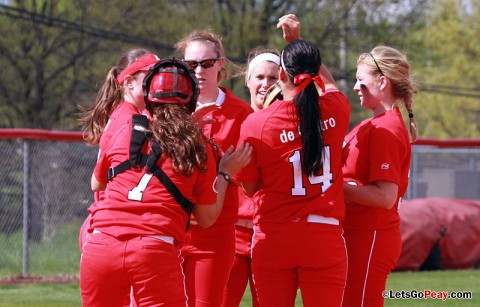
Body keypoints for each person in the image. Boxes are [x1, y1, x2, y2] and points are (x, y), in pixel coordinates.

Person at [79, 57, 252, 306]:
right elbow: (206, 218)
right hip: (153, 248)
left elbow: (98, 182)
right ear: (192, 99)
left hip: (100, 244)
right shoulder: (197, 145)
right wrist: (225, 173)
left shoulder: (122, 126)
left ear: (149, 95)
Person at [234, 38, 351, 307]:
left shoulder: (257, 123)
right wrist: (298, 40)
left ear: (282, 75)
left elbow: (250, 188)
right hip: (324, 236)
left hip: (275, 237)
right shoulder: (338, 108)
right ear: (315, 71)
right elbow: (330, 85)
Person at [174, 30, 254, 307]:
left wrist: (226, 171)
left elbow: (249, 178)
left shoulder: (242, 114)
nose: (198, 70)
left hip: (214, 231)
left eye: (206, 63)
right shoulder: (170, 109)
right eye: (190, 64)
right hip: (170, 227)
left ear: (221, 64)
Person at [341, 46, 418, 307]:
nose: (354, 87)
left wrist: (333, 187)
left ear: (382, 82)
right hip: (355, 231)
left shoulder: (386, 128)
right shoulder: (371, 123)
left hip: (370, 234)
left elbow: (386, 197)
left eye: (361, 80)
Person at [221, 47, 280, 307]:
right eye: (260, 77)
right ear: (247, 80)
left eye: (273, 78)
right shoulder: (234, 118)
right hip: (231, 234)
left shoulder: (287, 124)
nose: (266, 84)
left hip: (269, 235)